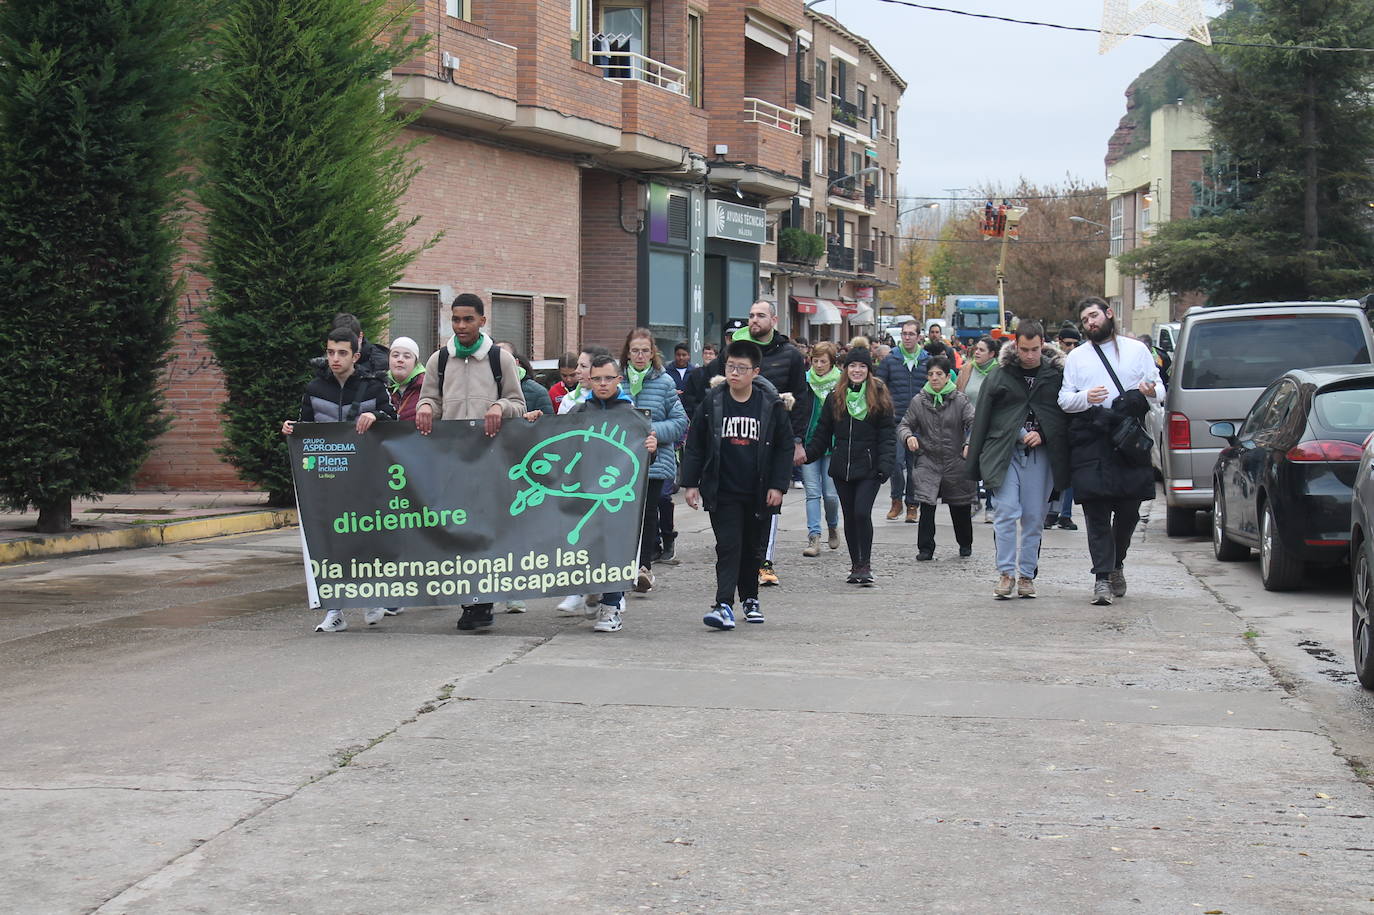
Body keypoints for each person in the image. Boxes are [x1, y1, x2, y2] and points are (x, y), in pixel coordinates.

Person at [415, 293, 527, 631]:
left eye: (468, 319)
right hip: (452, 462)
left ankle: (483, 603)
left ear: (482, 320)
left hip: (489, 461)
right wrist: (425, 409)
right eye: (456, 319)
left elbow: (517, 403)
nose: (461, 326)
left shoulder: (499, 359)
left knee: (485, 533)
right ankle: (470, 600)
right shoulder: (439, 359)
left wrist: (499, 407)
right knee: (459, 532)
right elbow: (430, 399)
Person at [684, 301, 809, 587]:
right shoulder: (733, 351)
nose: (754, 320)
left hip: (773, 440)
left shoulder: (788, 354)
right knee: (732, 533)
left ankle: (764, 562)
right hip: (733, 441)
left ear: (773, 320)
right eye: (751, 315)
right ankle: (731, 588)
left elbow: (801, 399)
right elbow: (709, 382)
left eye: (760, 316)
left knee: (768, 505)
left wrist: (797, 440)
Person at [282, 327, 396, 632]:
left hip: (366, 478)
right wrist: (292, 428)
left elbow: (394, 418)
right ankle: (335, 609)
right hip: (328, 480)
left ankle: (372, 595)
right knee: (331, 544)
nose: (335, 358)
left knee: (365, 539)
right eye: (330, 351)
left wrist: (378, 417)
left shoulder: (373, 387)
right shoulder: (314, 388)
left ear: (355, 356)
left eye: (342, 352)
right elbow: (305, 425)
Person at [681, 340, 792, 629]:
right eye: (730, 366)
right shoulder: (714, 401)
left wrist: (778, 485)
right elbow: (695, 444)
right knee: (729, 546)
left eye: (742, 368)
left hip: (758, 489)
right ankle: (722, 606)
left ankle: (750, 599)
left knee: (751, 548)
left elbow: (784, 447)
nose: (735, 373)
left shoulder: (770, 404)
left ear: (755, 372)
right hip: (723, 488)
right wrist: (690, 483)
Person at [1058, 297, 1161, 606]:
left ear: (1109, 314)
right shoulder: (1077, 357)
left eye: (1094, 315)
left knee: (1129, 512)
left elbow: (1159, 390)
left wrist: (1148, 393)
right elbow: (1065, 400)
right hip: (1092, 438)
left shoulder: (1137, 351)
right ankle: (1102, 578)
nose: (1091, 322)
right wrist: (1086, 397)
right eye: (1085, 318)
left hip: (1128, 440)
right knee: (1096, 511)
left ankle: (1116, 564)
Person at [965, 322, 1070, 600]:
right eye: (1024, 349)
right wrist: (973, 457)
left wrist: (1043, 434)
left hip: (1041, 455)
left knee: (1034, 517)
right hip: (1005, 452)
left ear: (1043, 344)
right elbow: (986, 417)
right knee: (1006, 511)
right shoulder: (1000, 375)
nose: (1029, 355)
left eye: (1035, 349)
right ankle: (1006, 573)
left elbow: (1063, 415)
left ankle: (1026, 575)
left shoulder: (1056, 375)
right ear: (1016, 345)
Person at [561, 354, 646, 632]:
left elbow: (642, 460)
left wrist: (652, 449)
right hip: (584, 494)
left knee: (614, 551)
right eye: (596, 378)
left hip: (617, 498)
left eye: (608, 378)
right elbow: (557, 445)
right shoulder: (579, 412)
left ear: (619, 380)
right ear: (588, 380)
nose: (602, 383)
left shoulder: (632, 414)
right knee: (586, 548)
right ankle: (590, 593)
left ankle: (611, 609)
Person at [804, 347, 895, 585]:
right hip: (842, 465)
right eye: (853, 366)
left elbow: (887, 434)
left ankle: (865, 563)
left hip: (870, 466)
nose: (857, 370)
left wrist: (885, 465)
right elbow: (823, 432)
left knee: (862, 513)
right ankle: (856, 564)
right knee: (849, 516)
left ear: (868, 370)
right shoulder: (836, 395)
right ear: (846, 369)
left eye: (862, 366)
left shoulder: (879, 394)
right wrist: (806, 455)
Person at [620, 329, 688, 594]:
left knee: (647, 513)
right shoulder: (616, 380)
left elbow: (681, 421)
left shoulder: (665, 382)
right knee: (622, 514)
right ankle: (621, 563)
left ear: (653, 353)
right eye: (635, 350)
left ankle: (643, 567)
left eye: (645, 350)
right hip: (620, 461)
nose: (640, 355)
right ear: (627, 352)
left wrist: (653, 431)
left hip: (654, 460)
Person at [898, 356, 976, 561]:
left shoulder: (960, 400)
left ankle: (965, 543)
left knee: (960, 505)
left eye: (939, 374)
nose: (934, 378)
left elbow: (974, 424)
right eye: (931, 374)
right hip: (928, 459)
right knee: (926, 504)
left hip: (955, 459)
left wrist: (969, 443)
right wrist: (909, 437)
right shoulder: (919, 401)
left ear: (947, 375)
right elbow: (904, 424)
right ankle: (925, 548)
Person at [876, 320, 930, 523]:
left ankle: (912, 505)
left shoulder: (927, 360)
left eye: (911, 334)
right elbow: (878, 387)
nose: (907, 337)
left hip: (920, 422)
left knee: (915, 465)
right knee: (896, 463)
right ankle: (896, 500)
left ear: (918, 336)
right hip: (896, 421)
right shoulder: (891, 360)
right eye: (904, 334)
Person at [800, 342, 842, 557]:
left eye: (823, 361)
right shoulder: (805, 381)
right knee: (813, 493)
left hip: (832, 444)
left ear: (831, 362)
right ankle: (814, 536)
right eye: (815, 361)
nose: (818, 365)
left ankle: (833, 525)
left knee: (830, 494)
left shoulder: (840, 382)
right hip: (808, 443)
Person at [498, 342, 553, 418]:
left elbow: (549, 425)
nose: (500, 365)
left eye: (505, 360)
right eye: (495, 361)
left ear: (516, 362)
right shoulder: (482, 389)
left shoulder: (538, 392)